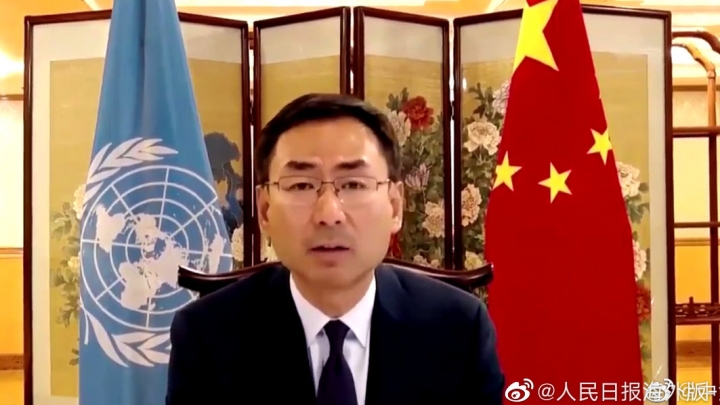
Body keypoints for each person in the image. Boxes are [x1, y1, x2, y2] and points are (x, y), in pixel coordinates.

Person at [166, 93, 504, 405]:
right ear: (265, 210)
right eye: (301, 185)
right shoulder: (206, 335)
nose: (329, 213)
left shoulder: (458, 328)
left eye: (354, 184)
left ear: (395, 207)